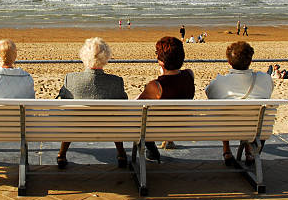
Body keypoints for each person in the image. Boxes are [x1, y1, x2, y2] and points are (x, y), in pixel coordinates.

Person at [56, 37, 128, 169]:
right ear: (106, 57)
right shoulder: (116, 82)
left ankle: (62, 154)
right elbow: (123, 104)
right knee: (115, 118)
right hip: (109, 128)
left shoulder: (70, 79)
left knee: (70, 117)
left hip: (75, 127)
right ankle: (121, 153)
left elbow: (62, 103)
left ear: (83, 56)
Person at [205, 41, 274, 166]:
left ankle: (227, 151)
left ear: (229, 62)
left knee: (223, 112)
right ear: (250, 61)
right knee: (250, 115)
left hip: (226, 128)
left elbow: (209, 94)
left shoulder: (219, 81)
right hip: (254, 130)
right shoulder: (265, 79)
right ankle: (249, 152)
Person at [137, 36, 195, 162]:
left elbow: (136, 107)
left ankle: (151, 150)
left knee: (141, 120)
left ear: (161, 61)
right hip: (184, 126)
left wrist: (162, 76)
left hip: (159, 130)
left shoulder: (156, 86)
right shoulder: (190, 75)